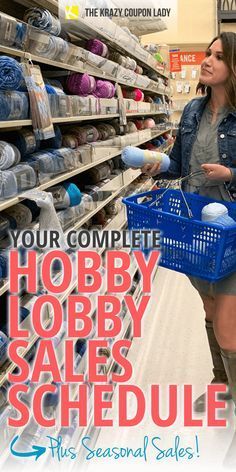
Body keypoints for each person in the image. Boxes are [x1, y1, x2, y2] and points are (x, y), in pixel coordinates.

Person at [142, 32, 236, 413]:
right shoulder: (193, 112)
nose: (207, 60)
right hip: (196, 229)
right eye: (207, 53)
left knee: (228, 325)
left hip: (230, 228)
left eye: (219, 56)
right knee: (211, 311)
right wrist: (160, 165)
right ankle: (221, 381)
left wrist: (230, 173)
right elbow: (180, 166)